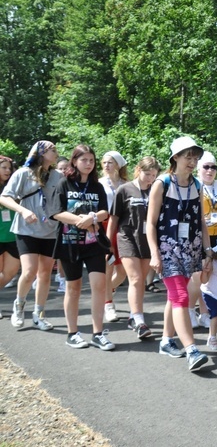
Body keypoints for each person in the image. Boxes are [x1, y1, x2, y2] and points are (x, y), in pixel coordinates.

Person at [147, 136, 211, 372]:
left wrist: (207, 251)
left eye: (195, 156)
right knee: (182, 298)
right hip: (167, 249)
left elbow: (201, 223)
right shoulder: (161, 183)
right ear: (175, 158)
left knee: (174, 298)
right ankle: (192, 350)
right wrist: (155, 253)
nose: (192, 161)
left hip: (191, 249)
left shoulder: (196, 185)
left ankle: (166, 341)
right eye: (188, 156)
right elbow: (150, 224)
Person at [50, 144, 114, 350]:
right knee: (74, 287)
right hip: (70, 244)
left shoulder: (97, 186)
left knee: (99, 285)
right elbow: (57, 212)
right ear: (75, 161)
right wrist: (80, 220)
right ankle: (73, 333)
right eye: (84, 159)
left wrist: (93, 217)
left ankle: (97, 333)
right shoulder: (63, 184)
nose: (88, 164)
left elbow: (105, 211)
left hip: (94, 243)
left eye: (91, 160)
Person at [0, 141, 62, 331]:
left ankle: (39, 314)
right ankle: (19, 306)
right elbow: (4, 197)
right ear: (41, 153)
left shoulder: (58, 176)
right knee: (29, 272)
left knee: (44, 274)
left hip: (50, 230)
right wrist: (22, 211)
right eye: (52, 150)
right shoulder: (22, 174)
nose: (56, 152)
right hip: (26, 229)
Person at [107, 156, 162, 340]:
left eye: (154, 175)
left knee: (140, 282)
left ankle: (133, 316)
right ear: (138, 170)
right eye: (147, 174)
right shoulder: (125, 189)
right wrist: (108, 244)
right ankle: (139, 320)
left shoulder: (156, 190)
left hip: (147, 240)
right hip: (127, 237)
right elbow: (113, 219)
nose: (150, 178)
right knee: (136, 279)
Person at [189, 151, 217, 329]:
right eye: (206, 167)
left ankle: (206, 313)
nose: (210, 170)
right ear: (198, 168)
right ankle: (190, 310)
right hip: (197, 237)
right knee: (199, 275)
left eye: (213, 167)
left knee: (211, 277)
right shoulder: (193, 185)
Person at [100, 151, 128, 323]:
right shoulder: (99, 183)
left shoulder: (126, 184)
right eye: (104, 162)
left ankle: (107, 290)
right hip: (104, 226)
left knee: (123, 271)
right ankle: (108, 304)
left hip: (123, 227)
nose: (106, 165)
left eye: (110, 162)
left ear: (118, 164)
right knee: (107, 266)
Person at [0, 156, 21, 298]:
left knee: (10, 272)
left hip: (13, 235)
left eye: (9, 168)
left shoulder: (14, 187)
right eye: (4, 167)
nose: (8, 171)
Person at [54, 157, 69, 293]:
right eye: (60, 168)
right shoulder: (53, 181)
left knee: (62, 253)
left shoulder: (72, 182)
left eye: (66, 167)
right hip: (51, 221)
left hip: (68, 223)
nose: (63, 170)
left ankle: (63, 279)